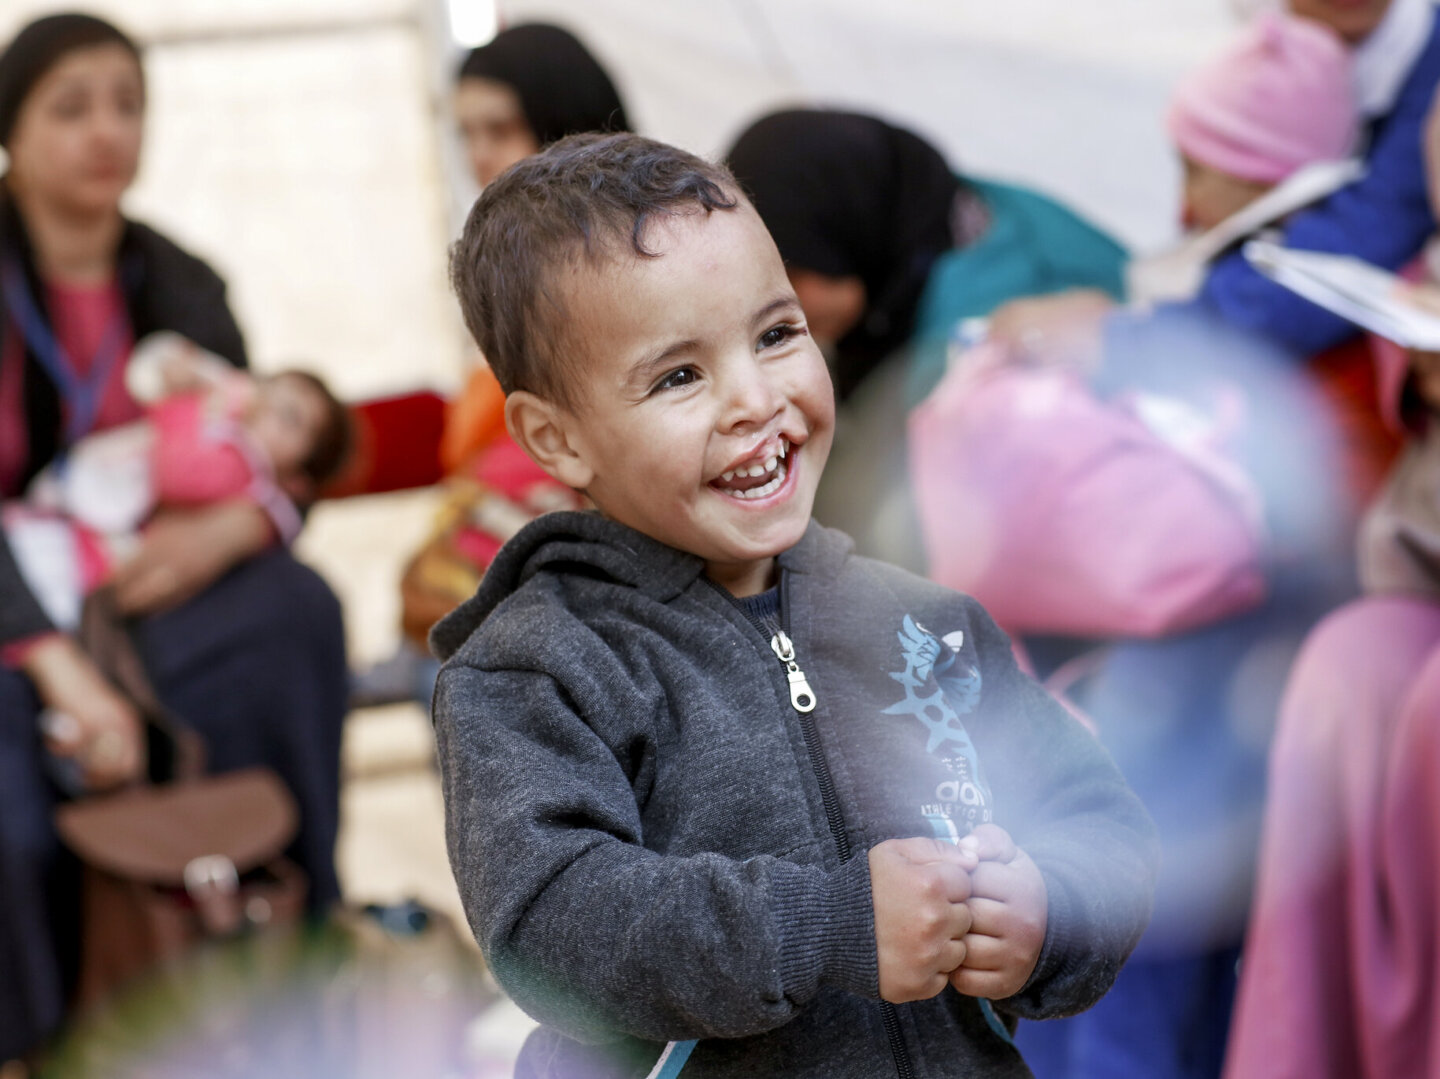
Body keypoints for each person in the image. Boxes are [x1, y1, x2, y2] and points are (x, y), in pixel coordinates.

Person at [431, 131, 1158, 1078]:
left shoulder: (925, 625)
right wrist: (827, 928)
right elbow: (552, 921)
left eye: (777, 335)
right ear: (556, 438)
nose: (756, 398)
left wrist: (1053, 912)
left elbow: (1097, 816)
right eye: (679, 375)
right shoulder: (536, 670)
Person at [0, 14, 348, 1064]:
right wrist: (64, 673)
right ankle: (53, 1038)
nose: (107, 130)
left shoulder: (180, 279)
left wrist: (235, 526)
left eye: (127, 102)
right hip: (19, 617)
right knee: (14, 804)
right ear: (12, 133)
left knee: (293, 609)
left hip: (142, 594)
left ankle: (288, 949)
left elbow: (269, 455)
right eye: (72, 106)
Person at [354, 22, 623, 706]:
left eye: (500, 129)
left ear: (560, 121)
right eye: (466, 134)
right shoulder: (512, 264)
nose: (478, 156)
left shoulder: (630, 255)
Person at [725, 108, 1128, 406]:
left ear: (850, 227)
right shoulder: (930, 210)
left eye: (789, 272)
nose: (773, 303)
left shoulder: (982, 343)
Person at [4, 336, 352, 632]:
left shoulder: (244, 466)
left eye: (290, 418)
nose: (267, 407)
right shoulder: (233, 447)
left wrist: (182, 402)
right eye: (270, 390)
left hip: (96, 557)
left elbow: (175, 474)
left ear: (297, 481)